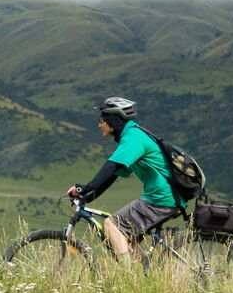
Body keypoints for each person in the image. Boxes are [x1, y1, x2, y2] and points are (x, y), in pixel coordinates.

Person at [67, 97, 179, 261]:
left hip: (161, 199)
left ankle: (126, 278)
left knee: (112, 225)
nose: (99, 125)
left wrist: (83, 188)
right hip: (165, 197)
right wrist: (88, 197)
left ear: (112, 121)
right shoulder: (132, 136)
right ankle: (142, 275)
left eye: (102, 121)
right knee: (126, 238)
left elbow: (110, 167)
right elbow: (112, 175)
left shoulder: (132, 139)